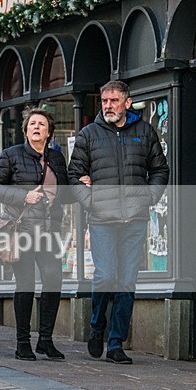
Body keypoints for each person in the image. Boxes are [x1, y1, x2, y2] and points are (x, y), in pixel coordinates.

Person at [68, 80, 170, 365]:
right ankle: (96, 326)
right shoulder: (88, 135)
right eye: (104, 101)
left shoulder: (145, 132)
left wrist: (148, 199)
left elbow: (160, 169)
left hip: (135, 219)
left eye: (114, 101)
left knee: (126, 281)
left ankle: (115, 342)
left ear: (127, 102)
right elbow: (74, 176)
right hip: (102, 219)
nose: (108, 106)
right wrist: (91, 202)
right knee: (105, 275)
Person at [0, 108, 72, 361]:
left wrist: (84, 187)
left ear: (48, 132)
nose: (37, 127)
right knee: (25, 284)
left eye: (42, 124)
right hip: (21, 231)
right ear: (26, 130)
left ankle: (45, 340)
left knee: (53, 278)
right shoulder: (11, 155)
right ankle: (22, 342)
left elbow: (65, 194)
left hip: (49, 232)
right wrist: (24, 195)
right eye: (32, 124)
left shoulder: (56, 158)